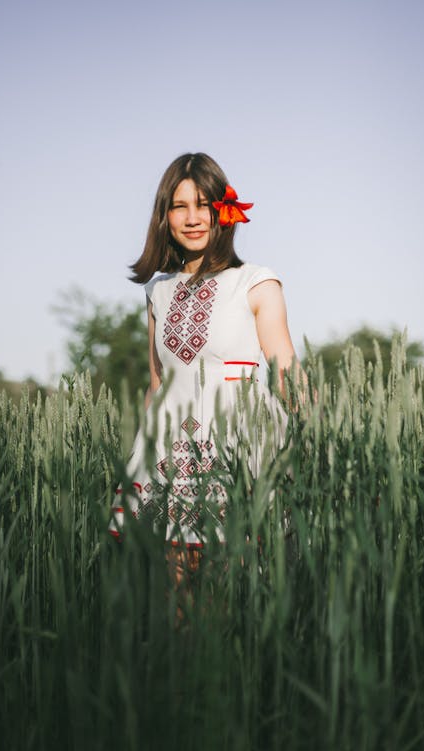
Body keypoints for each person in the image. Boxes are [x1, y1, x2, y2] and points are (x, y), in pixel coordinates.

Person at [108, 152, 300, 565]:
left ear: (223, 211)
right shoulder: (157, 290)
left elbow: (289, 376)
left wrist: (324, 451)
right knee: (177, 596)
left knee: (233, 587)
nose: (192, 218)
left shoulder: (257, 283)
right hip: (171, 452)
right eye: (180, 206)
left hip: (241, 449)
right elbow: (158, 384)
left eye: (203, 205)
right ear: (165, 216)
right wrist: (136, 463)